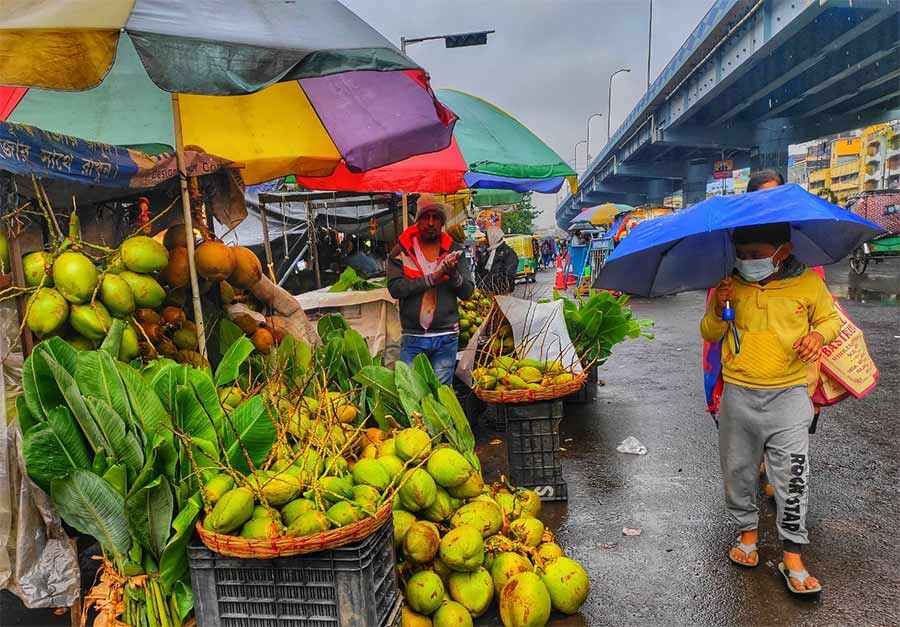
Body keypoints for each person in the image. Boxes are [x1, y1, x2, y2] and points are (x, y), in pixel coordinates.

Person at [701, 222, 841, 595]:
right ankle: (748, 536)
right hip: (739, 395)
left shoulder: (808, 283)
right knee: (739, 471)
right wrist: (718, 308)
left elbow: (830, 320)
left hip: (790, 396)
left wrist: (816, 336)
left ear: (782, 251)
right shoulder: (728, 286)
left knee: (792, 477)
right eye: (742, 255)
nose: (748, 262)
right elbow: (710, 332)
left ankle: (792, 555)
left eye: (757, 255)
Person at [387, 197, 474, 384]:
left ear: (443, 222)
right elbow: (395, 288)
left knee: (441, 394)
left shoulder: (454, 251)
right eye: (426, 217)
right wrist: (432, 278)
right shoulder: (401, 251)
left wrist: (452, 275)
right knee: (410, 393)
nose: (431, 222)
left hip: (446, 337)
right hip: (412, 337)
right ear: (418, 220)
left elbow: (467, 291)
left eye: (436, 217)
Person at [474, 225, 518, 294]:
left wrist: (496, 287)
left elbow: (509, 274)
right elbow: (478, 270)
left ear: (493, 237)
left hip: (502, 292)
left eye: (487, 237)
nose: (485, 240)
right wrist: (481, 285)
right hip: (486, 292)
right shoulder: (485, 253)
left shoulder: (508, 253)